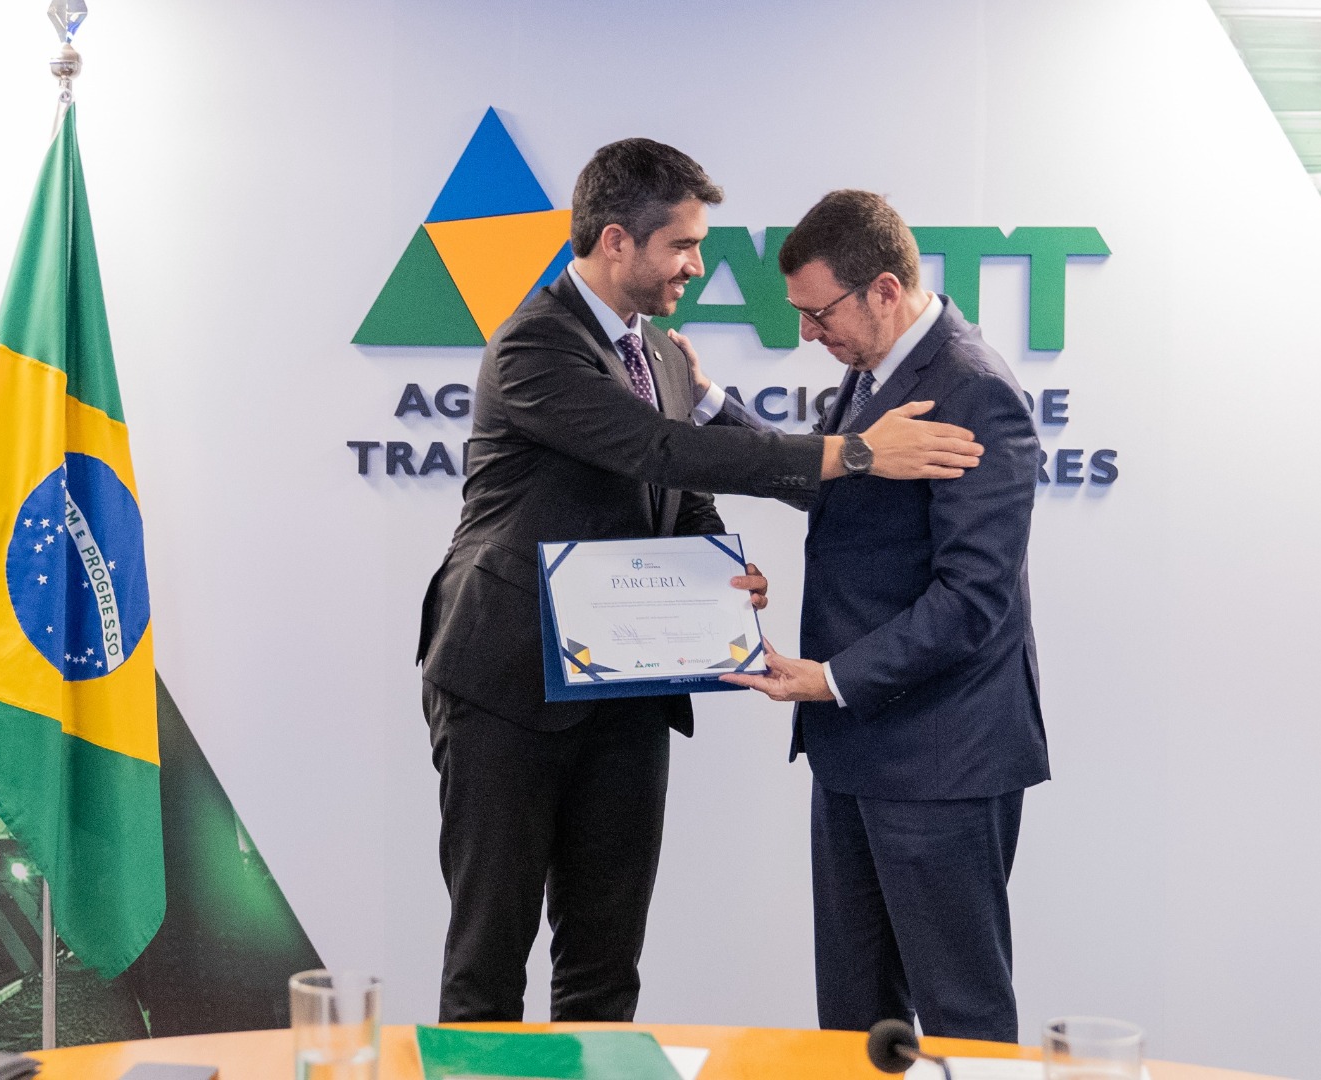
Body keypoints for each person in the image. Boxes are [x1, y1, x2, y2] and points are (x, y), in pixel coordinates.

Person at [415, 143, 985, 1023]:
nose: (696, 264)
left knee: (605, 964)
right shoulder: (534, 344)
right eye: (682, 245)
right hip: (505, 686)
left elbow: (681, 495)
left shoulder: (665, 357)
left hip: (625, 694)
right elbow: (661, 449)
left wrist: (717, 570)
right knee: (488, 966)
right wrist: (856, 453)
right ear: (617, 241)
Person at [717, 189, 1049, 1042]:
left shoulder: (974, 390)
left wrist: (831, 679)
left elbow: (972, 599)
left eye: (818, 313)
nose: (806, 333)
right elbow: (844, 490)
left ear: (886, 291)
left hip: (941, 759)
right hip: (857, 749)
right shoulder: (874, 373)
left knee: (961, 1017)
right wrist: (714, 408)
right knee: (855, 1020)